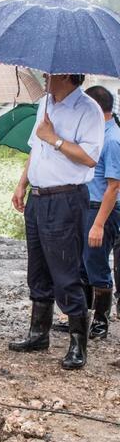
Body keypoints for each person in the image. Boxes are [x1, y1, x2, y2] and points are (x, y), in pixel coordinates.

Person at [9, 73, 105, 370]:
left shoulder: (88, 110)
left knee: (65, 271)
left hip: (66, 199)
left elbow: (89, 157)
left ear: (66, 73)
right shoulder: (45, 103)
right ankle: (39, 333)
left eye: (49, 73)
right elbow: (35, 148)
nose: (44, 76)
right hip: (38, 197)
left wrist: (56, 139)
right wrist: (22, 182)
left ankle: (78, 342)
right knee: (37, 268)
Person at [79, 86, 120, 340]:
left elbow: (114, 185)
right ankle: (82, 317)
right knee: (83, 263)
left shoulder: (113, 138)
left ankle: (101, 322)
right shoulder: (96, 134)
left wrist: (99, 224)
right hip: (85, 205)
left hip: (102, 209)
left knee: (96, 264)